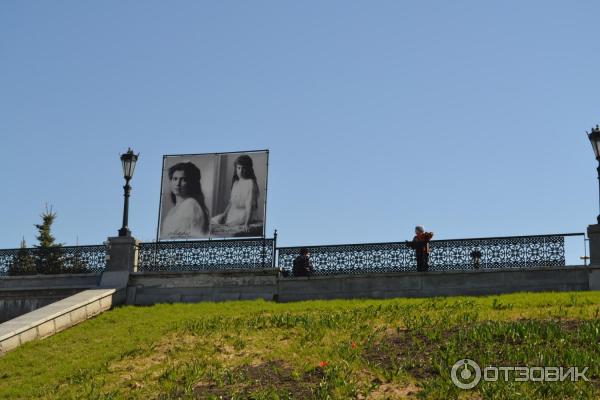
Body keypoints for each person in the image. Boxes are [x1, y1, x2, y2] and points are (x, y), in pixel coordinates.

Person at [160, 162, 210, 238]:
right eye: (175, 179)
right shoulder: (174, 209)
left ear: (191, 183)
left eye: (183, 179)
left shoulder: (191, 205)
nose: (177, 183)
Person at [211, 155, 260, 232]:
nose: (241, 171)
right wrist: (224, 214)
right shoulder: (236, 183)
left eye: (243, 168)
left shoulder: (250, 183)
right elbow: (231, 203)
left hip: (245, 213)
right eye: (239, 168)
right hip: (234, 211)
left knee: (226, 225)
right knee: (214, 220)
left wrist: (246, 224)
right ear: (236, 168)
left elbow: (249, 206)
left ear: (248, 169)